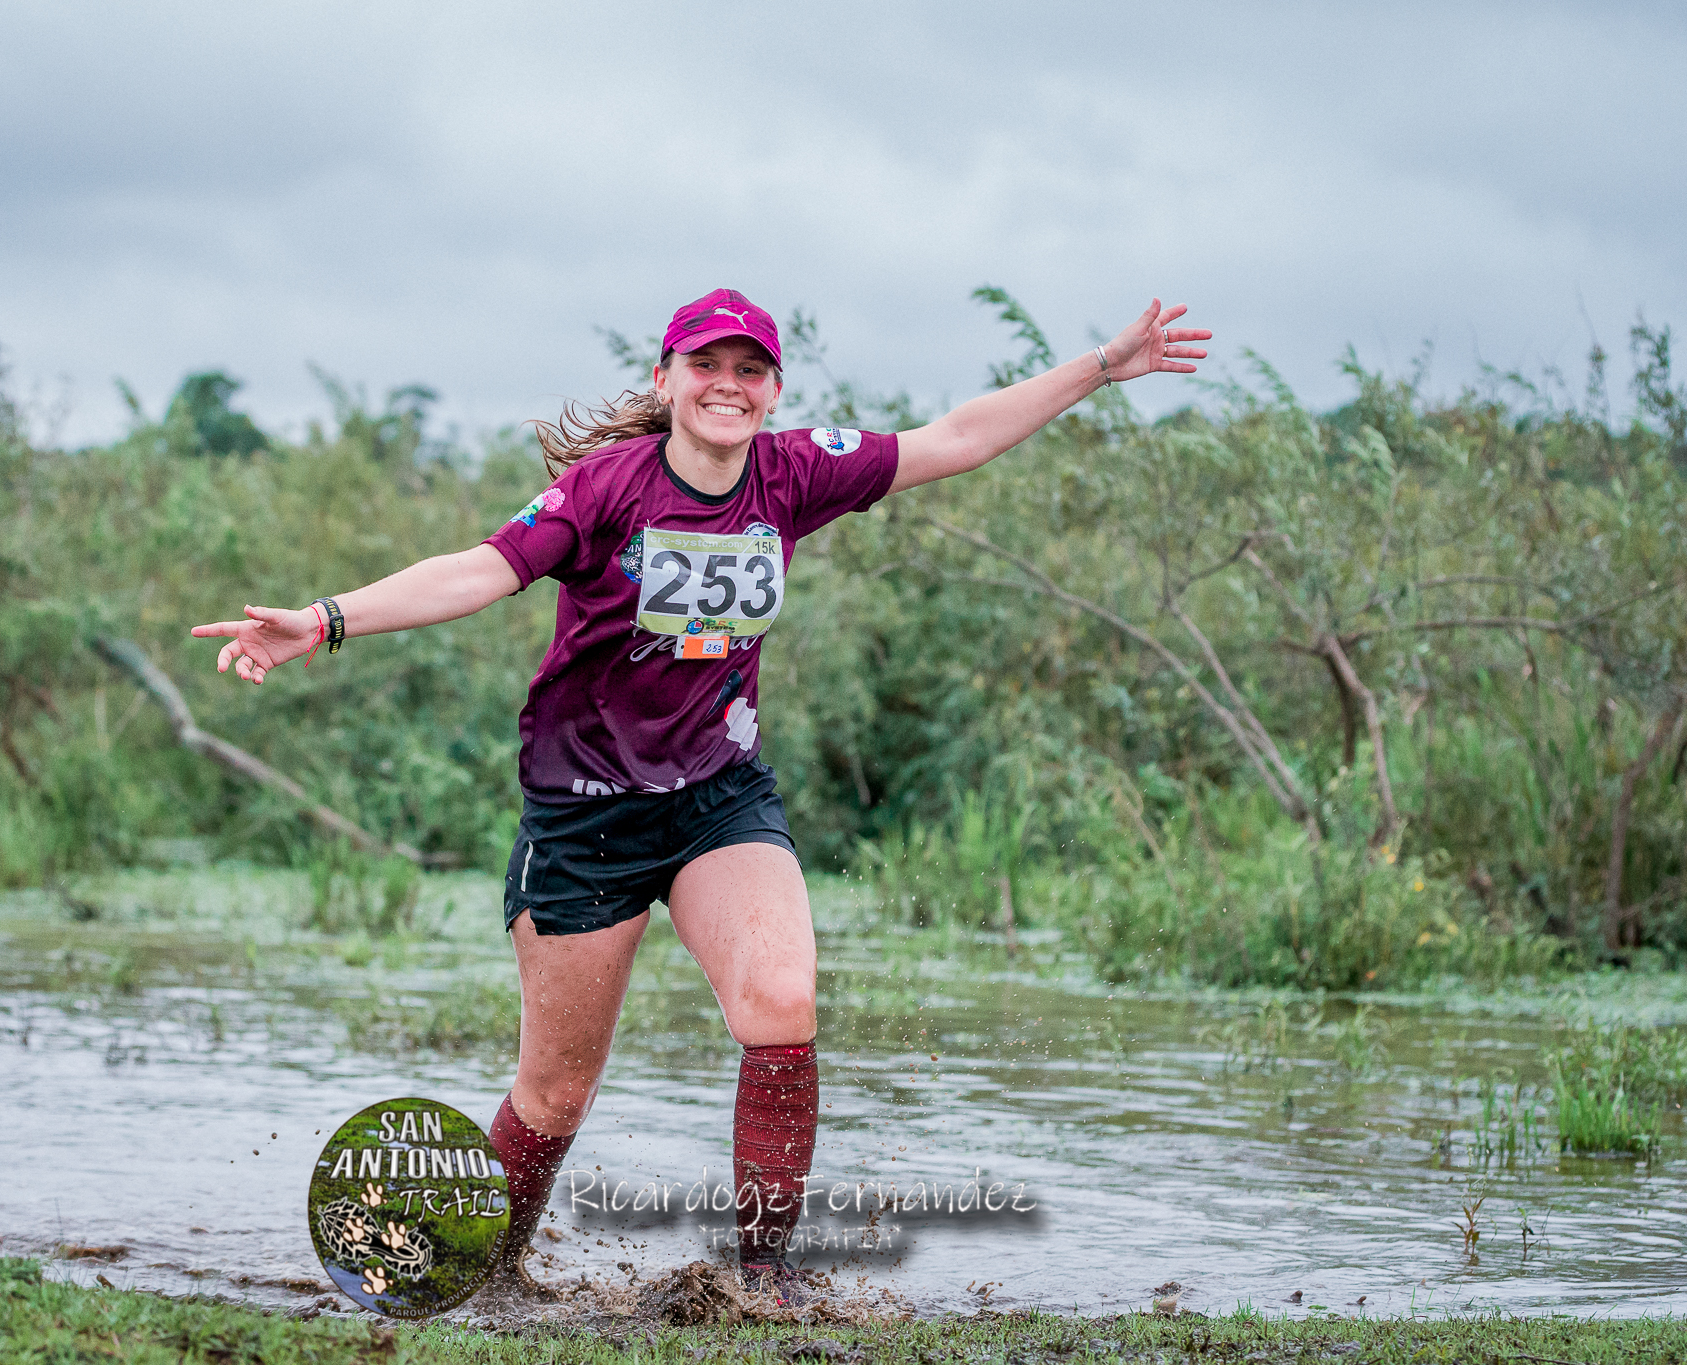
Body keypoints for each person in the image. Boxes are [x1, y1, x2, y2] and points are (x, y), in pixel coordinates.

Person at [191, 288, 1208, 1299]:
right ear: (665, 380)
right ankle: (476, 1270)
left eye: (749, 369)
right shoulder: (604, 490)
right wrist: (325, 620)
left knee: (781, 1004)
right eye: (706, 366)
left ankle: (762, 1283)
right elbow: (477, 571)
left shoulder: (796, 471)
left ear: (770, 390)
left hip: (718, 796)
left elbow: (953, 437)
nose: (727, 385)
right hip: (582, 813)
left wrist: (1102, 367)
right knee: (554, 1091)